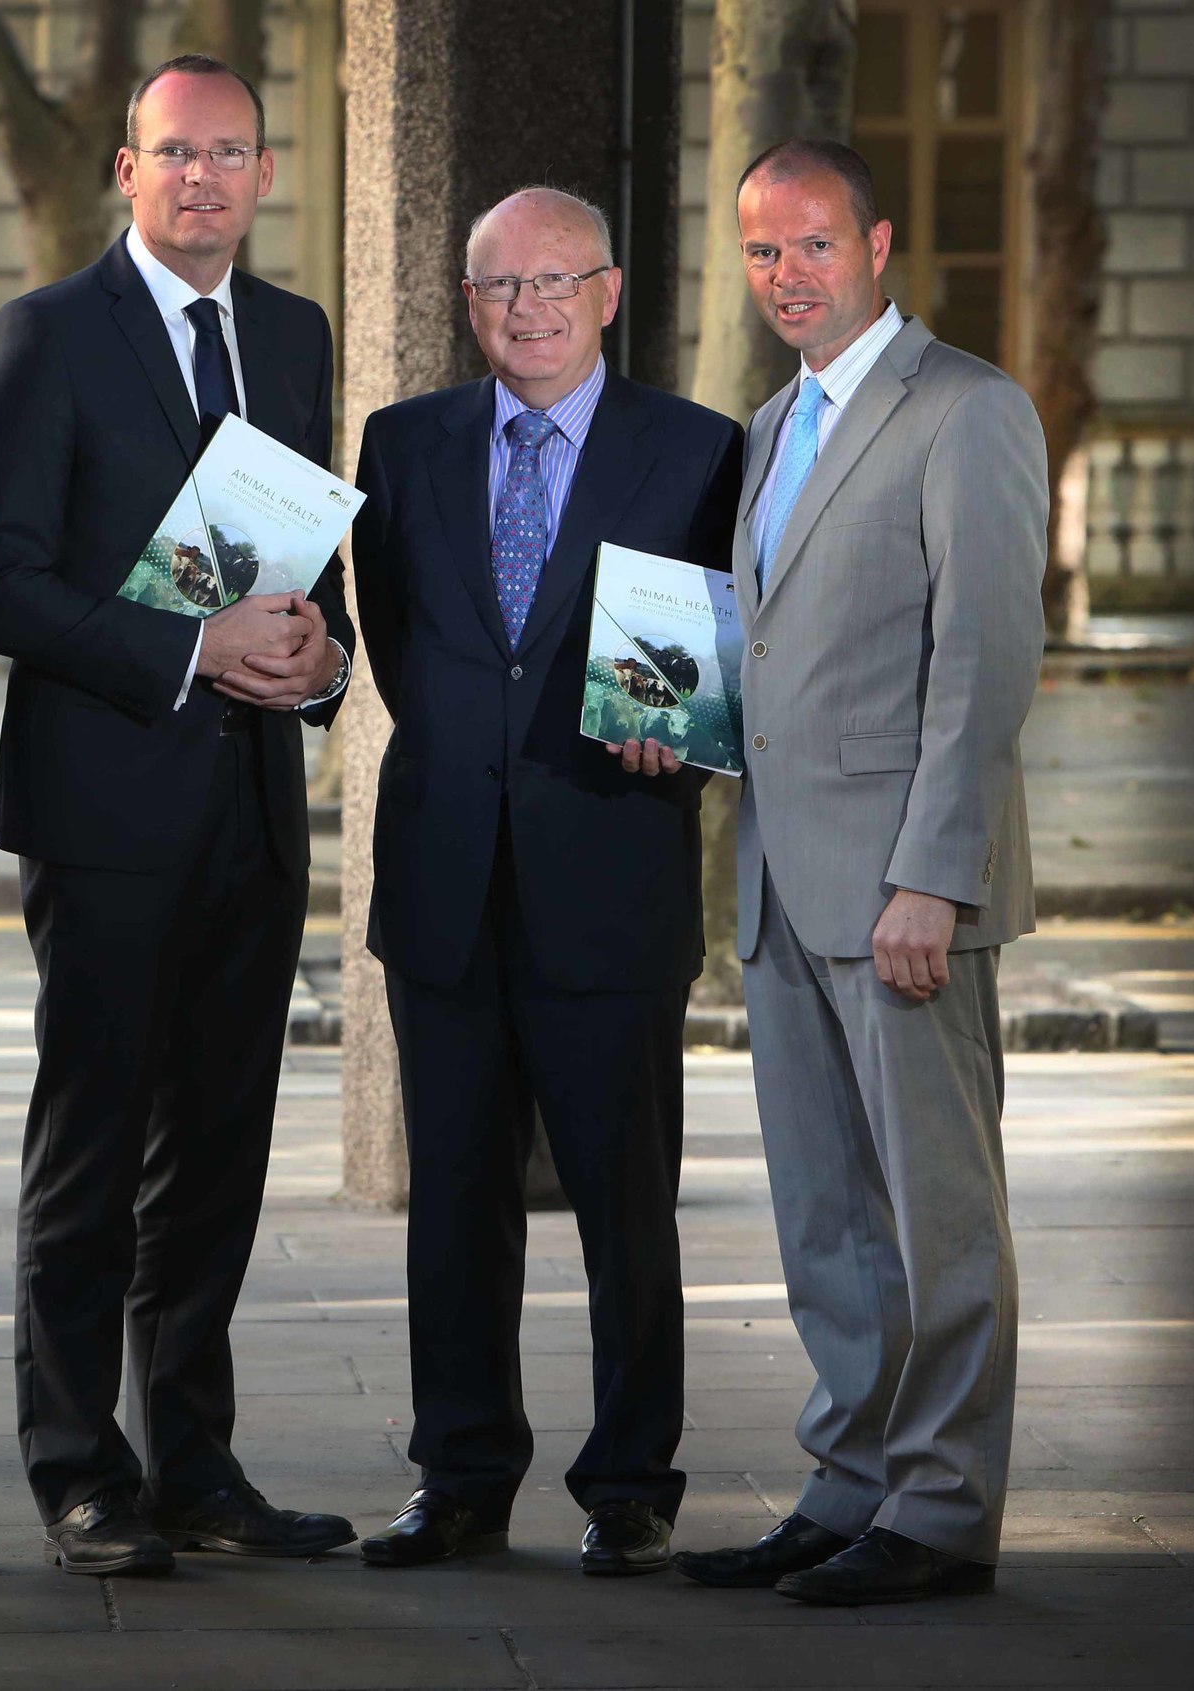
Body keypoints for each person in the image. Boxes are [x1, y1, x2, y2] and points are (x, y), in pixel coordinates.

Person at [0, 53, 358, 1578]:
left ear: (264, 175)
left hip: (254, 810)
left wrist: (323, 663)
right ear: (126, 171)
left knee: (219, 1154)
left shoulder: (295, 335)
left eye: (230, 154)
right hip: (107, 808)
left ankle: (194, 1460)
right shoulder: (49, 335)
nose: (202, 178)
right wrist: (189, 648)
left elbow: (309, 571)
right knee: (92, 1146)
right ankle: (79, 1465)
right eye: (174, 152)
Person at [349, 187, 742, 1580]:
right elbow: (399, 643)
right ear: (469, 304)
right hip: (447, 878)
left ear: (610, 292)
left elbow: (709, 653)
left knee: (624, 1197)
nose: (528, 307)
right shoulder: (400, 446)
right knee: (452, 1198)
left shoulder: (697, 450)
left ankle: (631, 1479)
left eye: (554, 282)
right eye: (500, 286)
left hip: (609, 872)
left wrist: (677, 749)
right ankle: (460, 1476)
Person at [672, 138, 1044, 1607]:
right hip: (780, 885)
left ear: (880, 244)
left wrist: (935, 879)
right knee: (826, 1218)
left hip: (901, 895)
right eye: (763, 252)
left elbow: (985, 662)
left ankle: (944, 1507)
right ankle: (850, 1480)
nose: (787, 276)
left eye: (814, 244)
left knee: (938, 1210)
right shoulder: (771, 425)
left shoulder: (967, 409)